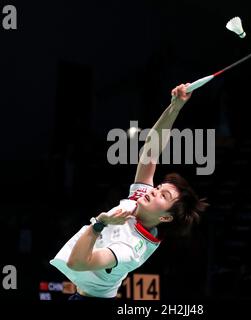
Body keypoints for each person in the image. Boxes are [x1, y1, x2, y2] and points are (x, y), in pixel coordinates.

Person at [50, 84, 208, 299]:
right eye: (159, 187)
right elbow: (151, 151)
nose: (154, 191)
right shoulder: (139, 201)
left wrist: (99, 224)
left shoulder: (131, 248)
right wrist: (175, 107)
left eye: (163, 195)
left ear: (165, 217)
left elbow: (77, 263)